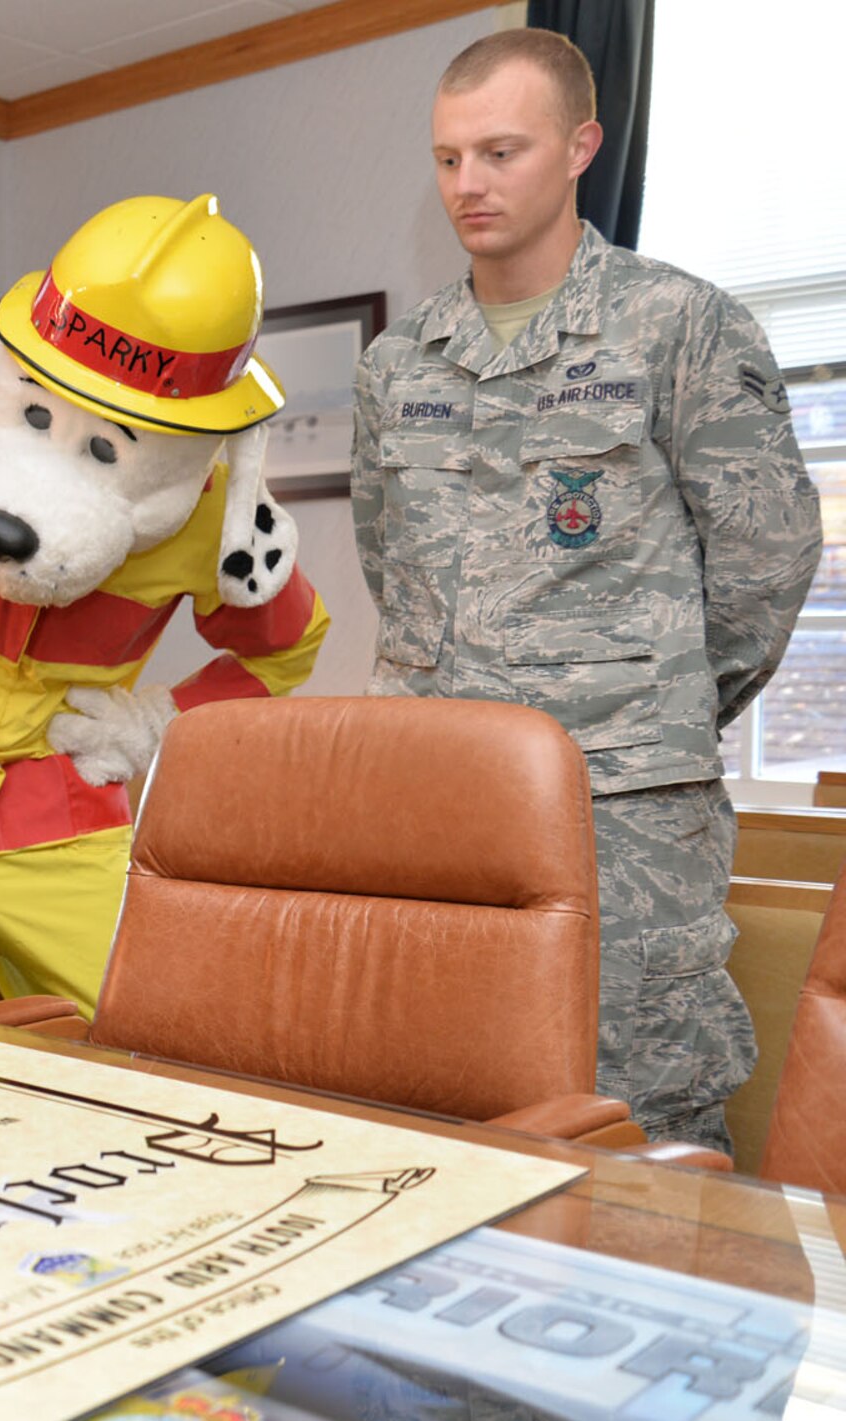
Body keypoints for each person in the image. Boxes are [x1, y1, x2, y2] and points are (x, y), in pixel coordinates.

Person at [352, 29, 821, 1150]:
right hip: (441, 799)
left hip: (623, 813)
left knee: (637, 1105)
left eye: (499, 152)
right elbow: (391, 562)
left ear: (578, 147)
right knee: (440, 1086)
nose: (468, 183)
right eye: (447, 158)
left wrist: (652, 706)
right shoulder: (398, 363)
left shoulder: (679, 326)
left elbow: (765, 556)